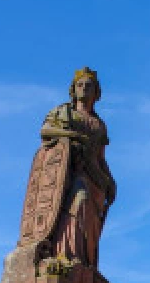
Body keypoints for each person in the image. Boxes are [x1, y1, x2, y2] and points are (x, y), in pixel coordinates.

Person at [21, 67, 117, 268]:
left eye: (88, 86)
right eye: (80, 85)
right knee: (78, 199)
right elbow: (45, 131)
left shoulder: (99, 125)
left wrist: (110, 180)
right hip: (68, 173)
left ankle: (84, 262)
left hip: (95, 177)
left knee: (91, 221)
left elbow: (100, 157)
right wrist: (73, 136)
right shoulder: (63, 112)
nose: (84, 89)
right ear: (73, 89)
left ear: (96, 92)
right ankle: (66, 253)